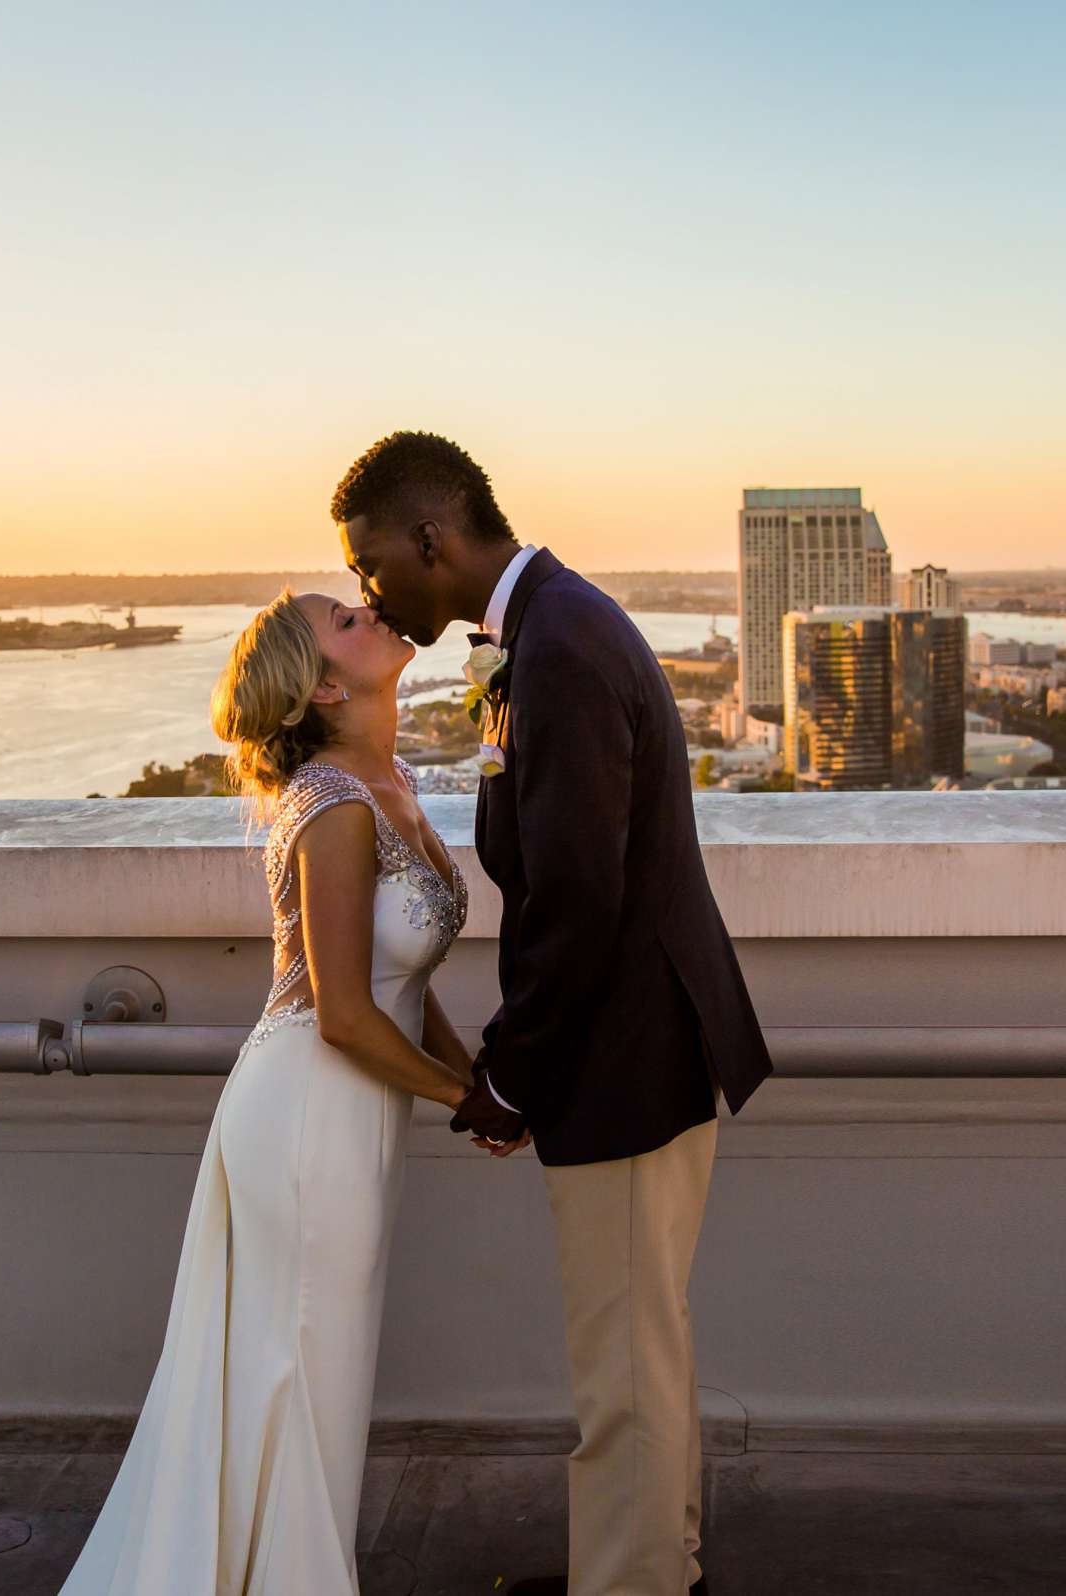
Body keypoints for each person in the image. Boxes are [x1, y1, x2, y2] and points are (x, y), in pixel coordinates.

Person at [335, 430, 772, 1596]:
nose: (370, 592)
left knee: (623, 1366)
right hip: (644, 1041)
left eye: (374, 565)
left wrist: (511, 1079)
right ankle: (642, 1570)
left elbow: (579, 901)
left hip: (624, 1057)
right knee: (646, 1348)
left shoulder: (565, 649)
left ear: (433, 539)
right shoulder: (552, 628)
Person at [58, 588, 486, 1594]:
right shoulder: (335, 809)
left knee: (321, 1373)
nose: (372, 612)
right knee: (301, 1373)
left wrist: (477, 1081)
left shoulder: (392, 782)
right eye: (345, 620)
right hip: (307, 1115)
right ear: (327, 686)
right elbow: (342, 1012)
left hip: (353, 1115)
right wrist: (467, 1102)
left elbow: (401, 986)